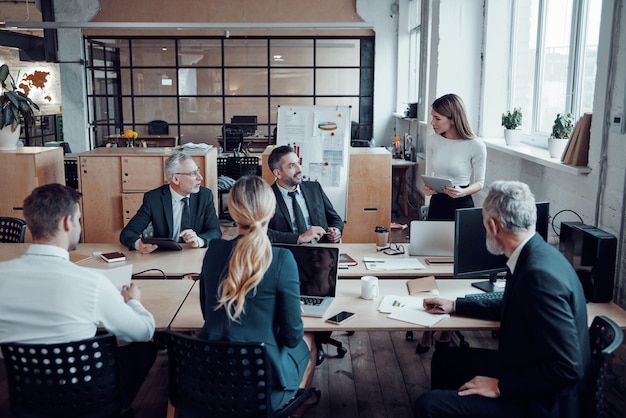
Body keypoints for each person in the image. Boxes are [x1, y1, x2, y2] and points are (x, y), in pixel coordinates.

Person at [413, 181, 590, 418]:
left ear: (494, 226)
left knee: (428, 405)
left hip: (545, 403)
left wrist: (500, 386)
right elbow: (513, 304)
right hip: (528, 368)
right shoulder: (534, 254)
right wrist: (456, 305)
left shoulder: (539, 276)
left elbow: (568, 367)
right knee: (446, 360)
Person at [0, 183, 157, 410]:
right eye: (78, 220)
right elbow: (143, 332)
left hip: (27, 395)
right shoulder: (91, 282)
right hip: (83, 397)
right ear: (66, 222)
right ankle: (116, 409)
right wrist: (133, 301)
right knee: (144, 349)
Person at [198, 176, 320, 417]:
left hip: (212, 376)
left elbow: (206, 311)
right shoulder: (282, 258)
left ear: (231, 212)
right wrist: (290, 309)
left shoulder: (214, 251)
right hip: (263, 388)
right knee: (309, 339)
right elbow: (293, 336)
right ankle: (294, 404)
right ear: (272, 210)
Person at [417, 93, 487, 353]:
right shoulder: (434, 140)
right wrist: (429, 186)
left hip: (461, 206)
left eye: (437, 118)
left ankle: (445, 329)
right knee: (430, 264)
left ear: (452, 118)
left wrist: (464, 191)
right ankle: (428, 326)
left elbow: (480, 182)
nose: (432, 122)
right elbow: (433, 174)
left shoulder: (475, 145)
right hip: (438, 204)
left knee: (453, 268)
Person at [120, 151, 221, 253]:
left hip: (194, 253)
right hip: (165, 255)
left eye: (198, 171)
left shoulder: (205, 196)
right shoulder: (153, 199)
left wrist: (198, 240)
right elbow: (128, 233)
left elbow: (215, 231)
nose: (200, 177)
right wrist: (139, 244)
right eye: (193, 174)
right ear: (176, 179)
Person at [266, 145, 343, 244]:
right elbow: (260, 232)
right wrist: (299, 238)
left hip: (322, 252)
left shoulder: (314, 188)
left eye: (298, 163)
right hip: (289, 254)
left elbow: (335, 218)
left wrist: (336, 230)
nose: (299, 169)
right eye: (292, 166)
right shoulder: (266, 196)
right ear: (278, 173)